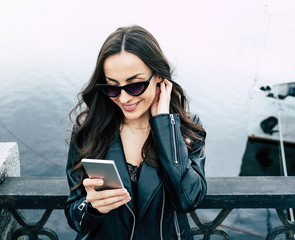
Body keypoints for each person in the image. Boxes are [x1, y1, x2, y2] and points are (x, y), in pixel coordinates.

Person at [65, 25, 207, 240]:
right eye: (112, 87)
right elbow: (75, 216)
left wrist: (165, 128)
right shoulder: (89, 130)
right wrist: (93, 207)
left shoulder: (186, 129)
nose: (123, 98)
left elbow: (188, 199)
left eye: (135, 86)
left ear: (159, 76)